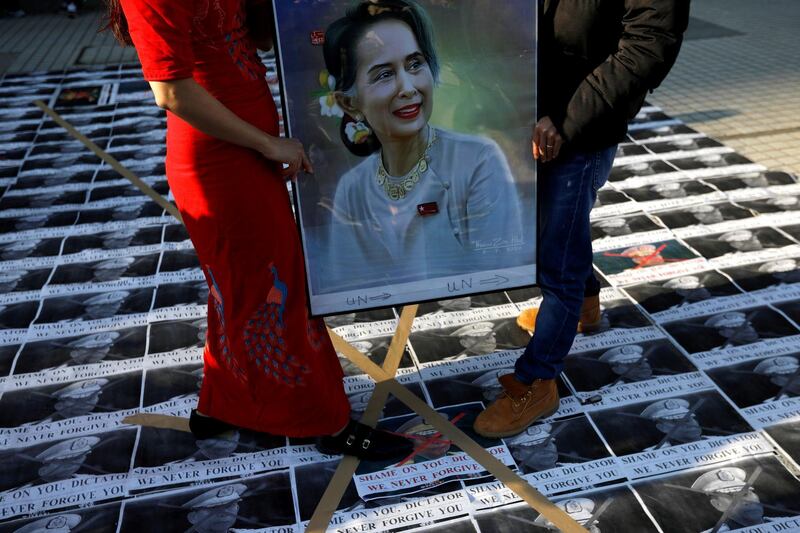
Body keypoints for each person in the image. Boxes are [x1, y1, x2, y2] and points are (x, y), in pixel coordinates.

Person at [107, 0, 411, 460]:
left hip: (248, 146)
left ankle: (223, 405)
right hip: (219, 161)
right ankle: (326, 421)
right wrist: (268, 144)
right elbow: (171, 91)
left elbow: (259, 38)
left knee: (238, 288)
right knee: (275, 288)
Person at [474, 0, 690, 438]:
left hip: (581, 125)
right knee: (562, 232)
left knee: (558, 257)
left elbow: (647, 47)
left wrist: (568, 121)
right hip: (525, 108)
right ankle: (587, 306)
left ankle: (538, 379)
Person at [321, 0, 527, 291]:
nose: (407, 87)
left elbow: (496, 271)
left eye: (415, 64)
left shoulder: (478, 159)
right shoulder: (351, 190)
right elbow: (352, 287)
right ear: (349, 103)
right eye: (384, 74)